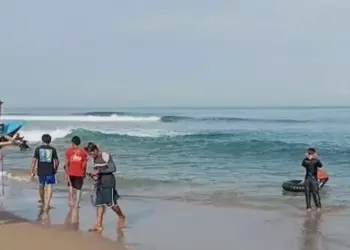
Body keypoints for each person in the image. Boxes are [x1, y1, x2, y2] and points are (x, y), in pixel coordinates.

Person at [84, 142, 126, 232]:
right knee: (99, 204)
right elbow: (96, 171)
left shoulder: (105, 155)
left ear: (95, 150)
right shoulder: (93, 159)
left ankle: (121, 216)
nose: (90, 155)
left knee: (111, 204)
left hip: (109, 182)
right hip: (99, 183)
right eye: (88, 154)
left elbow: (113, 168)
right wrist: (93, 176)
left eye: (91, 153)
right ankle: (99, 225)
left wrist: (99, 171)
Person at [31, 134, 59, 211]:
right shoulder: (53, 149)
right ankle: (47, 204)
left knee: (41, 185)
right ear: (50, 140)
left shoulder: (38, 149)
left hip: (41, 170)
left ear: (42, 140)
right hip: (50, 170)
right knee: (49, 186)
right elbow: (56, 161)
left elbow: (34, 160)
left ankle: (43, 201)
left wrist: (32, 170)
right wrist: (55, 169)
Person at [64, 136, 87, 208]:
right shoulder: (83, 152)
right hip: (80, 173)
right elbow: (84, 164)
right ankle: (77, 204)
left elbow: (66, 163)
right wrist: (84, 172)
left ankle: (71, 200)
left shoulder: (68, 151)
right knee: (79, 189)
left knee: (70, 186)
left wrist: (66, 173)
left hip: (70, 172)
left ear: (72, 143)